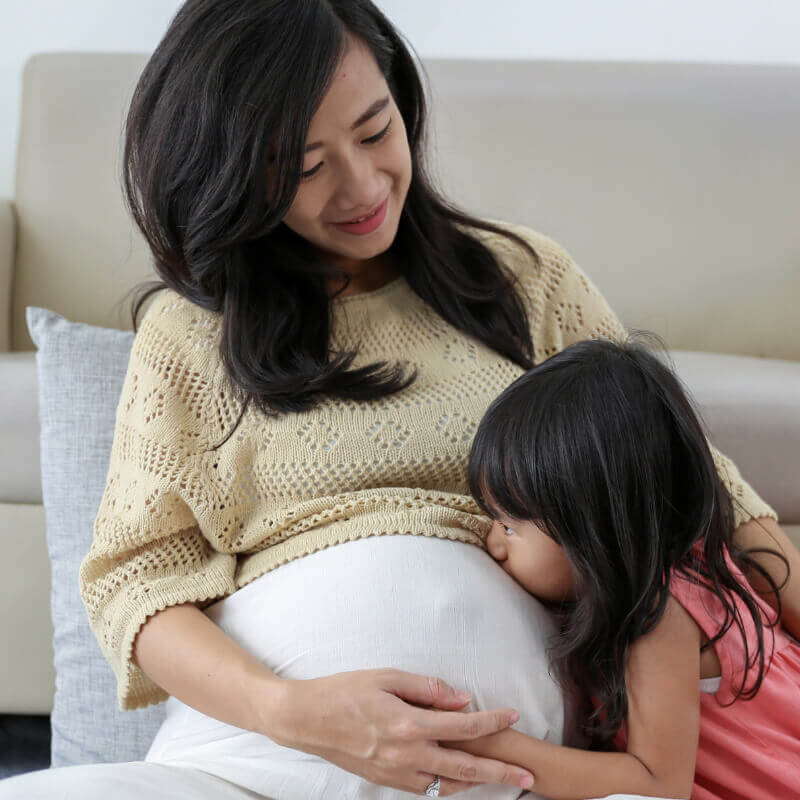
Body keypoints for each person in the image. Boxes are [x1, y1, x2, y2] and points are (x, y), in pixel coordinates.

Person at [0, 1, 793, 798]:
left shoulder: (525, 279)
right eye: (305, 167)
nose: (362, 184)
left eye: (376, 131)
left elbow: (688, 477)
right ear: (231, 172)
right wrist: (298, 712)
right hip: (248, 763)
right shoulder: (190, 338)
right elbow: (139, 583)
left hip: (511, 775)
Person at [458, 336, 800, 799]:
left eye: (509, 526)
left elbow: (659, 783)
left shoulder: (656, 619)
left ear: (594, 529)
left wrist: (494, 747)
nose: (493, 541)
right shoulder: (692, 554)